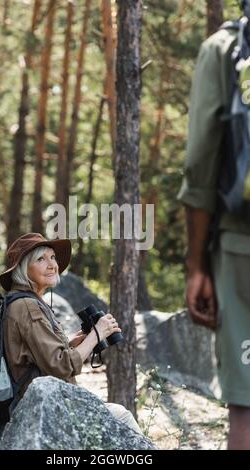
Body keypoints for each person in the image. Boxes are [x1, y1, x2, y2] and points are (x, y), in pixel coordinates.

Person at [178, 1, 250, 450]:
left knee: (247, 402)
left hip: (242, 247)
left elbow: (201, 164)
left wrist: (196, 264)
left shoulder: (226, 52)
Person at [0, 232, 142, 435]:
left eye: (53, 257)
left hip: (42, 403)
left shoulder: (23, 302)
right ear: (23, 269)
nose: (52, 265)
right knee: (122, 416)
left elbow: (41, 357)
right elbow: (60, 366)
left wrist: (75, 341)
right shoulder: (27, 306)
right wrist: (97, 334)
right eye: (41, 259)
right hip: (47, 409)